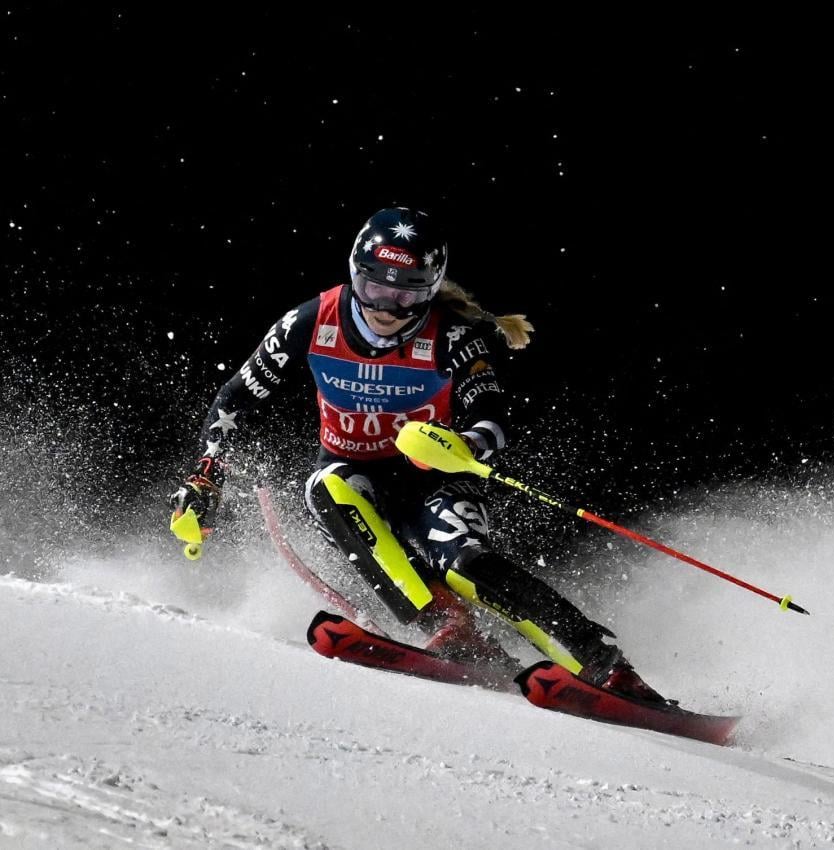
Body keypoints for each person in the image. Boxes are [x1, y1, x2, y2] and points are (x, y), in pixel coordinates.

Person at [168, 206, 664, 702]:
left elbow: (492, 416)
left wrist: (467, 443)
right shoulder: (310, 321)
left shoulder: (452, 335)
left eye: (405, 295)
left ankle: (602, 662)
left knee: (464, 562)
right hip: (354, 471)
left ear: (429, 291)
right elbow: (236, 398)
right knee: (327, 488)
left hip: (434, 478)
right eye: (373, 288)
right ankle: (450, 625)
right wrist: (206, 476)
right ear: (353, 274)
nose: (386, 307)